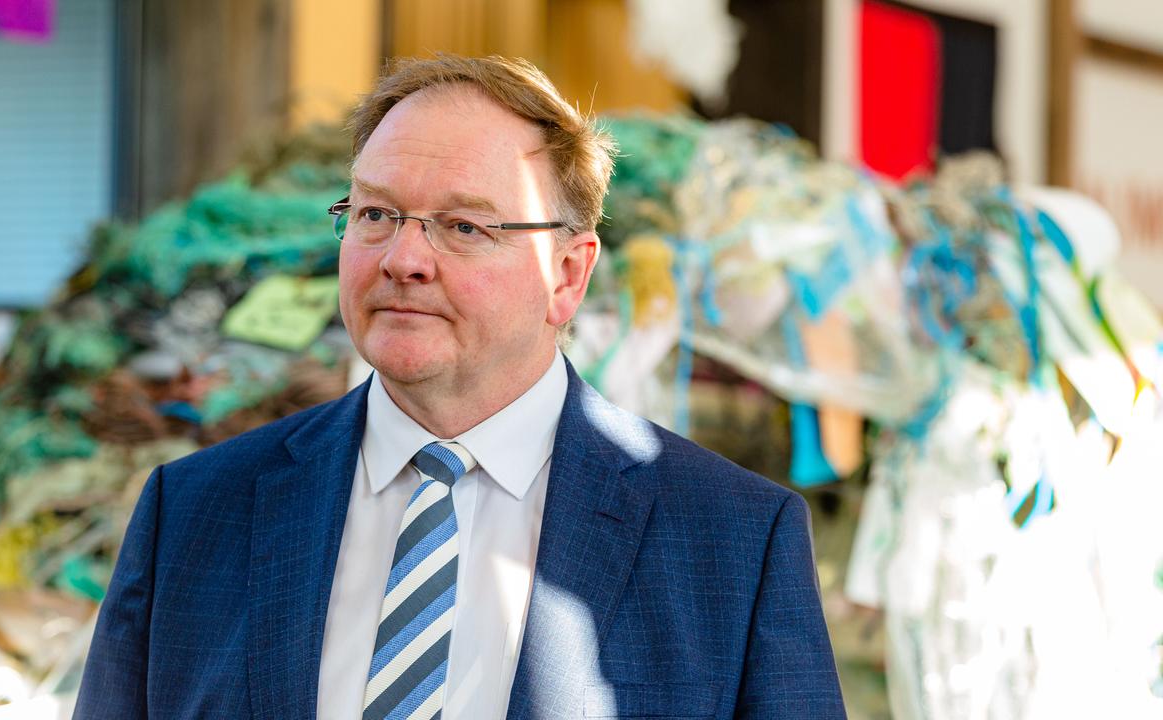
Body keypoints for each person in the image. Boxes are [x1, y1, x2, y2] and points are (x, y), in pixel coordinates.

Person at [73, 54, 844, 719]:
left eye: (464, 226)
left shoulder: (734, 541)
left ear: (568, 275)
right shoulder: (193, 514)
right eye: (376, 213)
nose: (403, 258)